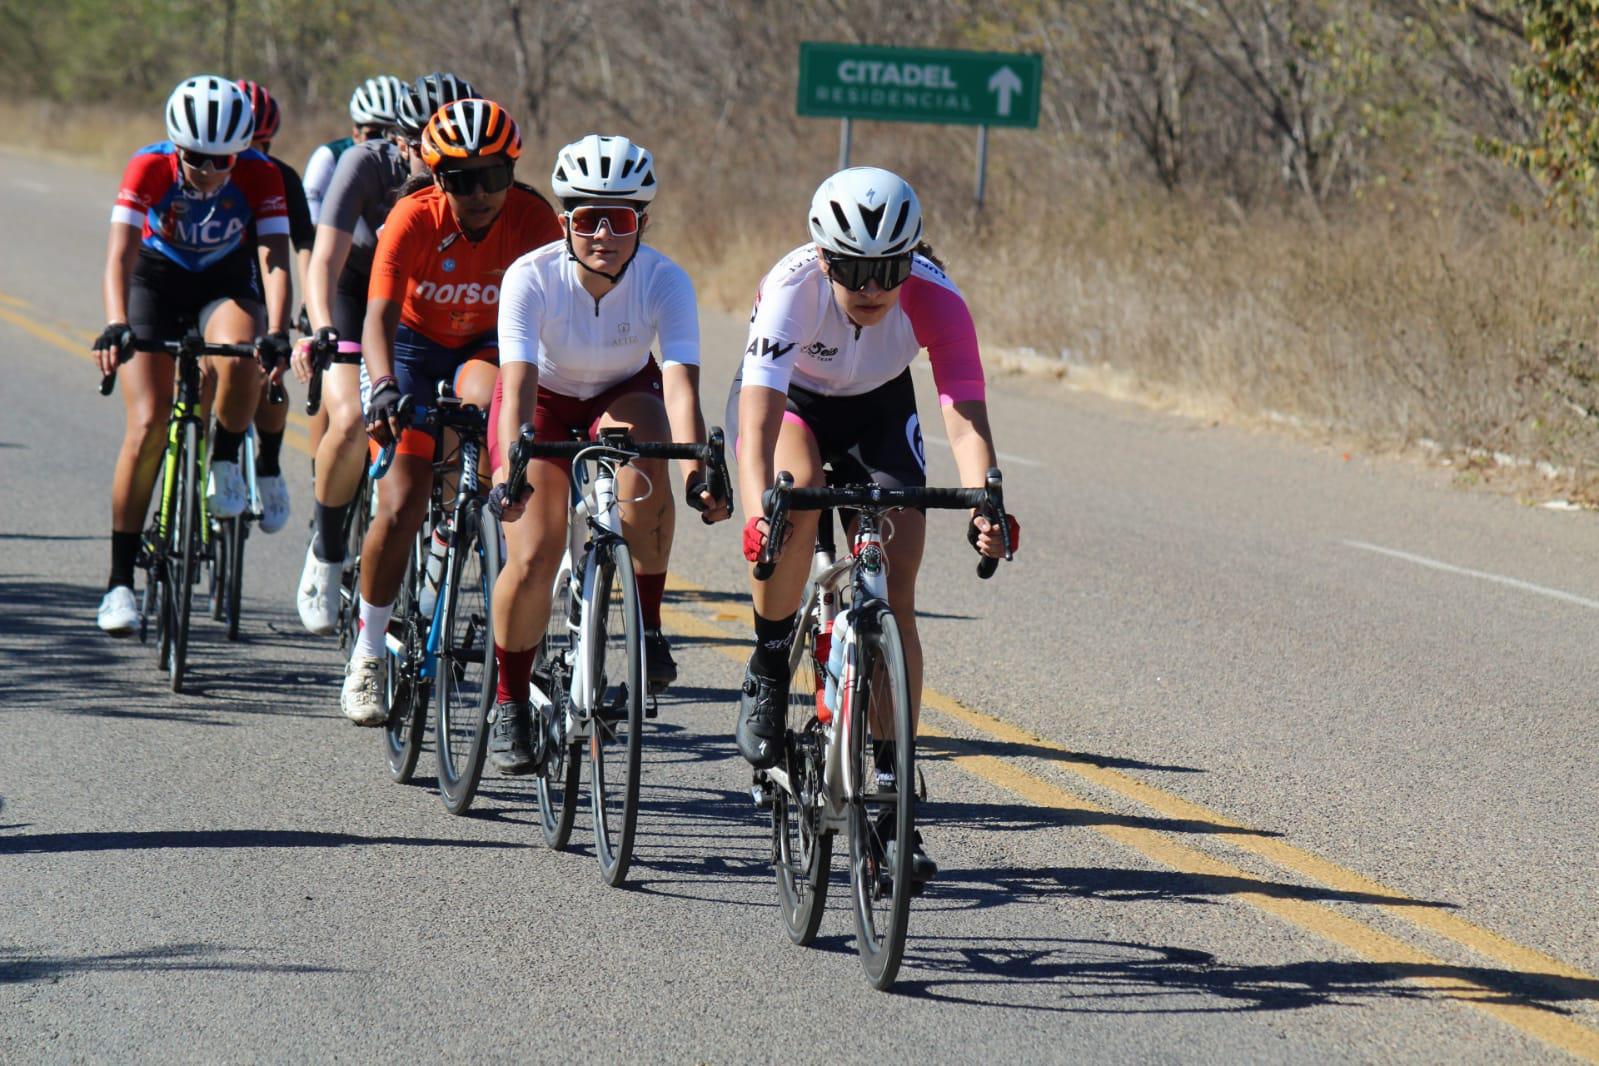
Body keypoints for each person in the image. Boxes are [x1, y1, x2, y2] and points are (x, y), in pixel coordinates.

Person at [726, 166, 1021, 878]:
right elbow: (757, 420)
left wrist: (986, 497)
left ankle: (892, 785)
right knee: (794, 503)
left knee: (895, 593)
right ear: (825, 257)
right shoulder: (793, 289)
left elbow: (961, 411)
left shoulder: (936, 299)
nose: (870, 286)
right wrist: (754, 511)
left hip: (879, 411)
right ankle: (769, 663)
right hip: (793, 405)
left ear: (910, 258)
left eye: (887, 269)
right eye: (853, 269)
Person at [484, 134, 731, 774]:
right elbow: (515, 382)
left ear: (640, 223)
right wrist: (512, 465)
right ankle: (509, 698)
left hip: (624, 391)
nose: (602, 234)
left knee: (649, 471)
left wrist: (699, 462)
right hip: (543, 397)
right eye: (587, 218)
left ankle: (647, 625)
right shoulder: (529, 276)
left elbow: (679, 383)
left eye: (618, 219)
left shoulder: (664, 278)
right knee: (534, 551)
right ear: (564, 221)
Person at [339, 98, 562, 725]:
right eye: (463, 180)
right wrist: (382, 385)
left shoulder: (534, 217)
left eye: (496, 176)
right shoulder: (412, 217)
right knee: (403, 499)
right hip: (410, 350)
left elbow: (553, 319)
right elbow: (377, 317)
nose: (483, 193)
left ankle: (462, 518)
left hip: (482, 348)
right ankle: (367, 652)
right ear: (438, 178)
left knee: (490, 417)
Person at [93, 75, 293, 635]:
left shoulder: (260, 172)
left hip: (223, 279)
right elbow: (120, 254)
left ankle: (226, 459)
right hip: (155, 279)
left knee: (241, 357)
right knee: (149, 422)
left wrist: (277, 329)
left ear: (242, 150)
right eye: (196, 159)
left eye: (222, 160)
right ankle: (117, 583)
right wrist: (116, 323)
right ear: (175, 147)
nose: (208, 172)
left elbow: (275, 257)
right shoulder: (147, 167)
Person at [290, 72, 478, 635]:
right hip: (356, 293)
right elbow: (324, 260)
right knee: (349, 419)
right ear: (401, 143)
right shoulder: (367, 166)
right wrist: (321, 327)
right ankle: (326, 553)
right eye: (427, 142)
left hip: (427, 307)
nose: (444, 154)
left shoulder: (472, 184)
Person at [236, 79, 314, 535]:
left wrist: (305, 301)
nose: (253, 152)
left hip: (266, 284)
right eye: (246, 141)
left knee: (271, 375)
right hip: (216, 284)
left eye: (262, 143)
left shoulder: (282, 176)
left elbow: (305, 243)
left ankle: (267, 462)